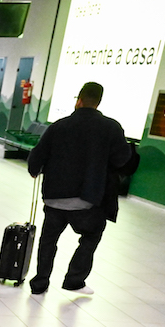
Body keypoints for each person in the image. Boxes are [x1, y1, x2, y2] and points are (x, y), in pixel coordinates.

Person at [27, 81, 132, 296]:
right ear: (99, 102)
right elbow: (123, 159)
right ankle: (74, 280)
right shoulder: (111, 128)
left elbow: (37, 156)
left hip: (54, 197)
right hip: (88, 200)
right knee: (91, 236)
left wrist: (34, 169)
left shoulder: (59, 126)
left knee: (48, 240)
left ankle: (40, 283)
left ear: (79, 100)